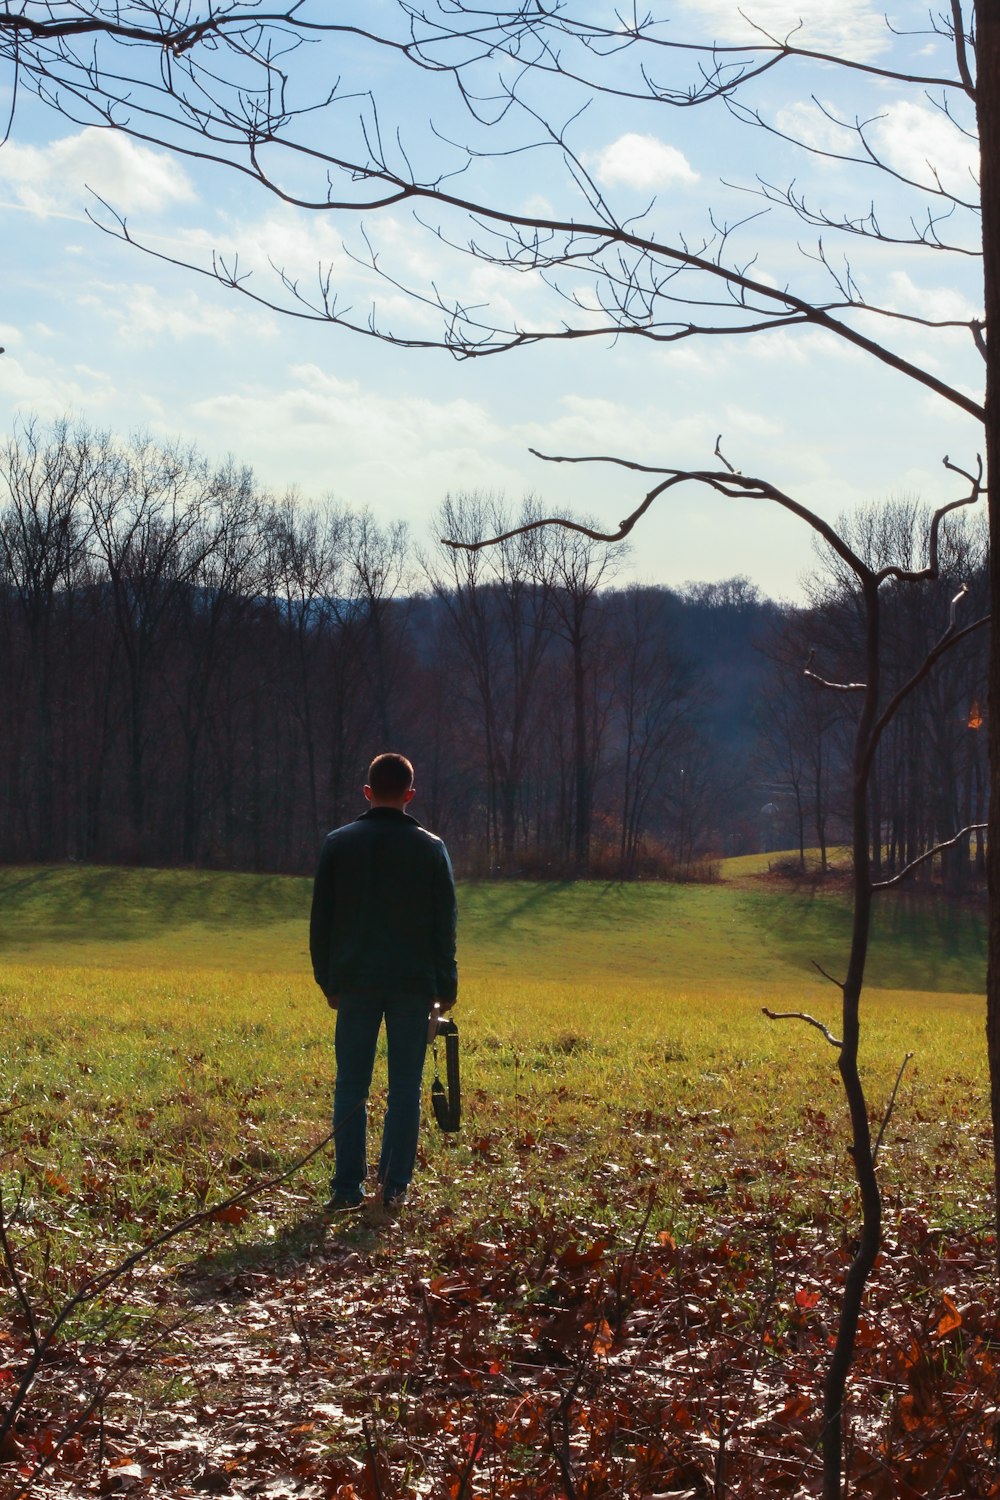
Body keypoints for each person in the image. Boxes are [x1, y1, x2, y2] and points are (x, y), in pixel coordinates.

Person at [309, 752, 458, 1212]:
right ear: (410, 795)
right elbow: (444, 924)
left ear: (368, 792)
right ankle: (394, 1186)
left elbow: (322, 922)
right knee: (405, 1088)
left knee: (350, 1084)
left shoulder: (338, 843)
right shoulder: (431, 848)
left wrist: (327, 980)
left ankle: (346, 1187)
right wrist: (445, 986)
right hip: (413, 983)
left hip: (354, 980)